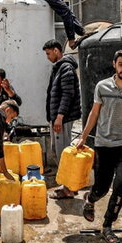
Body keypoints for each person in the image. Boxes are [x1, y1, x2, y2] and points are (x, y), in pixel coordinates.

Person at [75, 49, 122, 243]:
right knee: (101, 187)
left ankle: (107, 226)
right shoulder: (102, 87)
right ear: (114, 64)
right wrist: (83, 137)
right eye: (121, 64)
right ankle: (90, 200)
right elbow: (94, 112)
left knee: (121, 185)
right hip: (103, 144)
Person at [43, 39, 82, 199]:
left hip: (63, 119)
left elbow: (67, 95)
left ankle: (68, 189)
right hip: (59, 118)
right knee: (60, 152)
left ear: (57, 51)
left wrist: (59, 117)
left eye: (48, 53)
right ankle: (69, 186)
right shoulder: (61, 68)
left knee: (63, 154)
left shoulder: (65, 68)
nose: (47, 57)